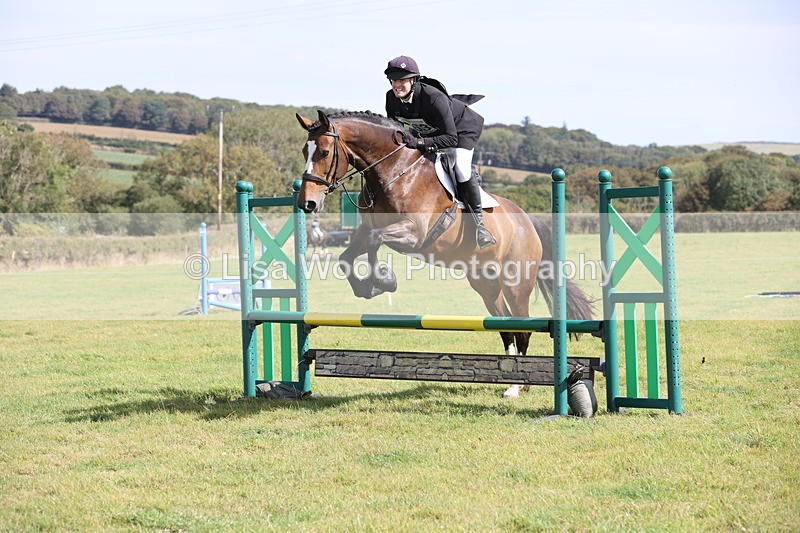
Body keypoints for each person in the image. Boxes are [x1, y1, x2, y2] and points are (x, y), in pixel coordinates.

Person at [383, 55, 496, 249]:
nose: (397, 85)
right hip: (431, 132)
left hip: (461, 130)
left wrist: (418, 141)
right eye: (393, 80)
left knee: (460, 166)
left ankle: (480, 226)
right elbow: (396, 129)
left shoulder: (433, 98)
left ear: (413, 79)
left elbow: (450, 138)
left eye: (402, 80)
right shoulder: (391, 98)